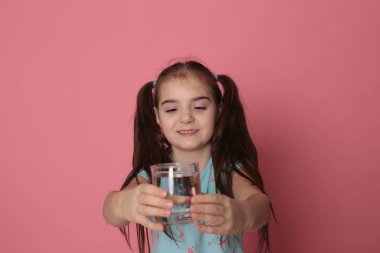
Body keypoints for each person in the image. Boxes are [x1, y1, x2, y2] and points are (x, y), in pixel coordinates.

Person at [103, 60, 272, 253]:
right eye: (172, 109)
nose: (186, 118)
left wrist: (243, 214)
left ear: (218, 109)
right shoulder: (151, 175)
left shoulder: (227, 167)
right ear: (157, 116)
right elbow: (109, 210)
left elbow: (261, 206)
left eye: (199, 107)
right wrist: (125, 204)